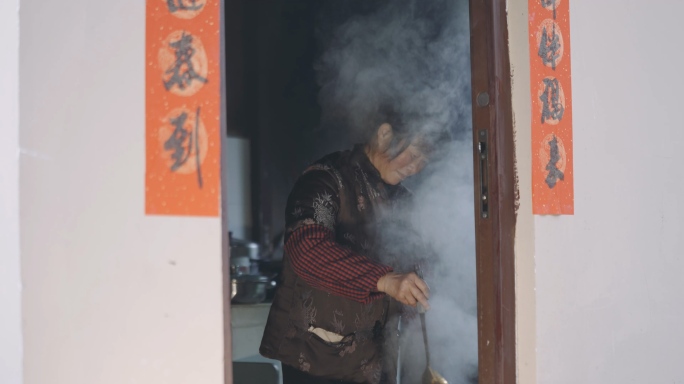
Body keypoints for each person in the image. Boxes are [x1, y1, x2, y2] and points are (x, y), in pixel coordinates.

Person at [260, 109, 442, 384]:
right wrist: (385, 280)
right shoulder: (326, 179)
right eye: (414, 154)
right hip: (318, 359)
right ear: (384, 135)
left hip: (379, 362)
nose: (415, 167)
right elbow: (307, 248)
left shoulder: (406, 202)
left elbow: (418, 263)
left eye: (424, 161)